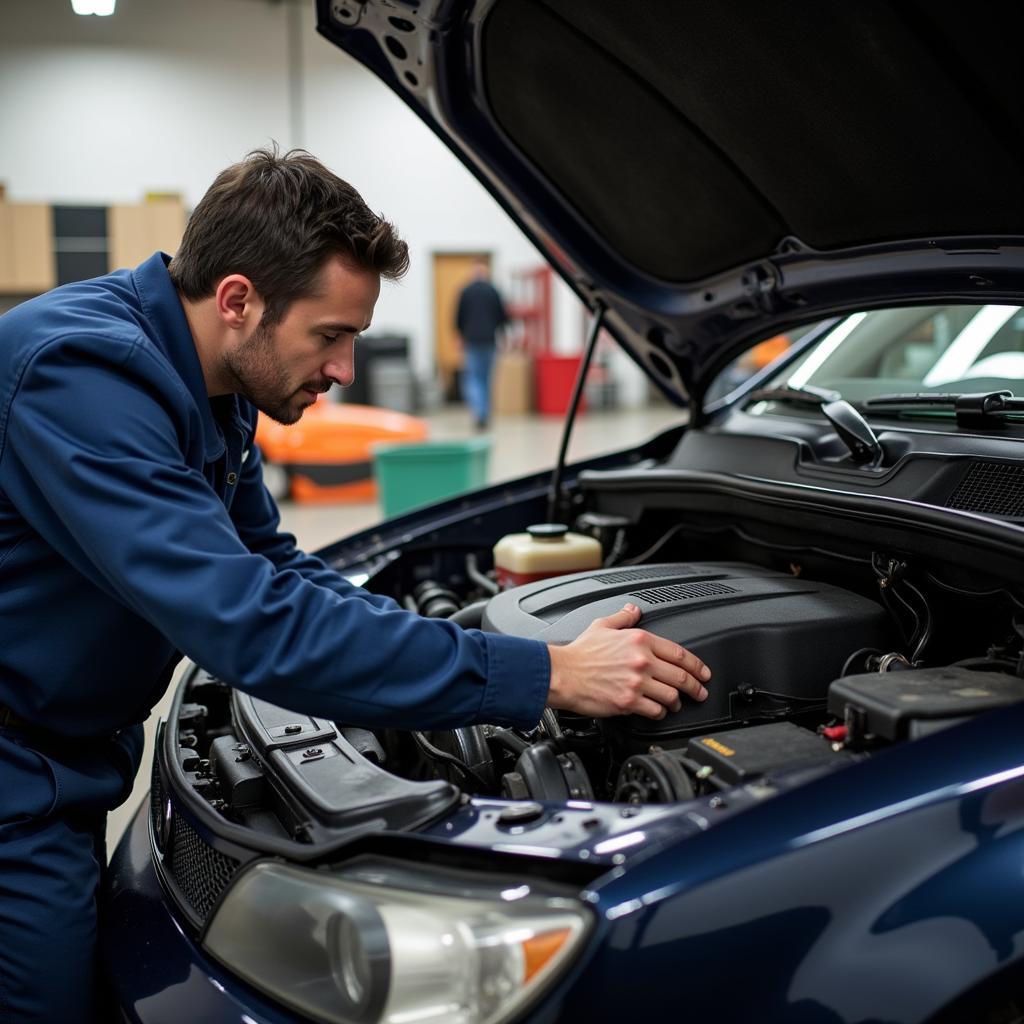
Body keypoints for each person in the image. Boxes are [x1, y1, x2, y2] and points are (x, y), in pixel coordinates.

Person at [0, 148, 711, 1022]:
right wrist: (546, 676)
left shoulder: (210, 379)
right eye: (329, 335)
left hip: (67, 761)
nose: (343, 369)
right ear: (238, 300)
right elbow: (252, 626)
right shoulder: (86, 378)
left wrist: (487, 641)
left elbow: (278, 566)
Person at [455, 257, 507, 429]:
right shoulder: (493, 291)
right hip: (489, 340)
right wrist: (502, 335)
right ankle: (484, 412)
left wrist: (459, 337)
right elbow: (502, 317)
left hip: (472, 340)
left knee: (473, 378)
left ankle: (479, 412)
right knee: (486, 378)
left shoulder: (466, 291)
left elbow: (459, 317)